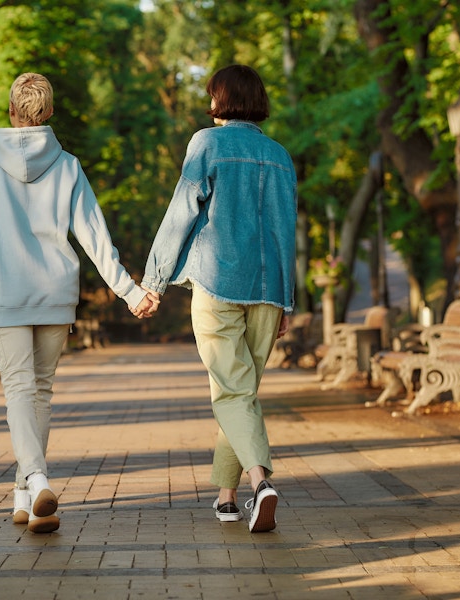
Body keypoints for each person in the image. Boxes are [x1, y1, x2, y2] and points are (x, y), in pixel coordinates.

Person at [0, 73, 158, 534]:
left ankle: (37, 477)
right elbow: (94, 237)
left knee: (19, 392)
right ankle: (24, 496)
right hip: (54, 293)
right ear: (48, 115)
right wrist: (129, 291)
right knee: (39, 392)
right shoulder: (67, 165)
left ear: (10, 109)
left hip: (3, 295)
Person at [141, 64, 296, 533]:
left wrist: (155, 280)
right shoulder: (279, 155)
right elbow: (288, 232)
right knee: (241, 394)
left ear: (219, 101)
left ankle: (259, 483)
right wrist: (286, 300)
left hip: (217, 283)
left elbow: (181, 211)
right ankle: (227, 499)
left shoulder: (206, 144)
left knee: (231, 392)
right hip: (269, 291)